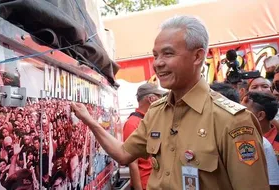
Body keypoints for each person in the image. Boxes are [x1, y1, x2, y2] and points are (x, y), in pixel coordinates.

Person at [71, 15, 269, 189]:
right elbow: (124, 153)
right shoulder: (156, 112)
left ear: (198, 56)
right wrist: (90, 121)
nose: (157, 63)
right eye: (155, 55)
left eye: (168, 53)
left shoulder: (233, 121)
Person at [123, 83, 165, 190]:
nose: (162, 100)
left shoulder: (149, 119)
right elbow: (132, 162)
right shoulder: (133, 123)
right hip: (144, 184)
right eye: (159, 97)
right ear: (151, 99)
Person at [241, 91, 279, 188]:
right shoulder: (239, 137)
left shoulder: (269, 143)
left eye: (243, 111)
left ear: (260, 115)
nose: (238, 115)